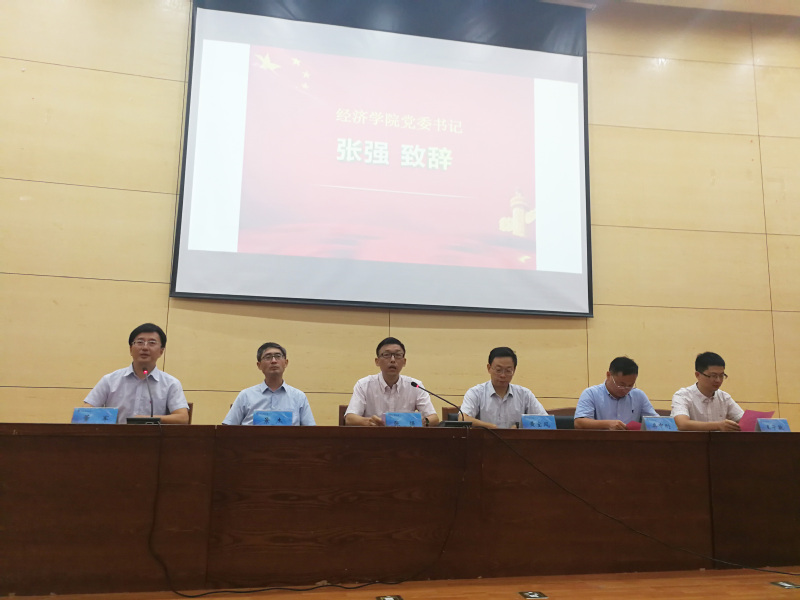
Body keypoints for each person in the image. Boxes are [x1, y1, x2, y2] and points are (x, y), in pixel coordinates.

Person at [83, 323, 190, 424]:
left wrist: (148, 420)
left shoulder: (171, 383)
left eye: (152, 343)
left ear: (161, 351)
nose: (145, 347)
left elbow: (183, 418)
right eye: (140, 342)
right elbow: (85, 412)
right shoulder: (110, 380)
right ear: (131, 349)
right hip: (115, 436)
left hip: (153, 437)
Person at [344, 337, 439, 426]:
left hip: (405, 437)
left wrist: (423, 422)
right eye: (386, 355)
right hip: (374, 436)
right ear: (377, 361)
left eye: (398, 355)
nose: (393, 360)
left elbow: (434, 418)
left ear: (404, 361)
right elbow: (350, 418)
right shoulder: (364, 385)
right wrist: (370, 422)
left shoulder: (415, 385)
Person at [223, 342, 315, 426]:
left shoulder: (299, 397)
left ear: (286, 363)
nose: (274, 361)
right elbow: (227, 429)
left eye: (278, 356)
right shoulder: (246, 395)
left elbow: (311, 432)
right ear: (259, 365)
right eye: (268, 357)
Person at [460, 346, 546, 428]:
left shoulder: (524, 394)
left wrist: (520, 427)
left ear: (514, 370)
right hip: (485, 438)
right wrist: (490, 427)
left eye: (508, 370)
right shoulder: (476, 393)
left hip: (515, 439)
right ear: (489, 368)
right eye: (498, 370)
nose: (503, 375)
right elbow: (463, 419)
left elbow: (546, 421)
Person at [574, 356, 658, 430]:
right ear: (608, 375)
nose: (625, 389)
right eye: (621, 385)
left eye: (630, 385)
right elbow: (579, 423)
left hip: (630, 441)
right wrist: (608, 424)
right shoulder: (591, 393)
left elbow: (656, 422)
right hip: (600, 441)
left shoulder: (639, 395)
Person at [671, 352, 743, 431]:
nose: (718, 380)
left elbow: (743, 420)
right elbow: (683, 424)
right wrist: (719, 425)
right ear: (697, 375)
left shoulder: (724, 398)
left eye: (721, 375)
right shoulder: (683, 396)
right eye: (713, 376)